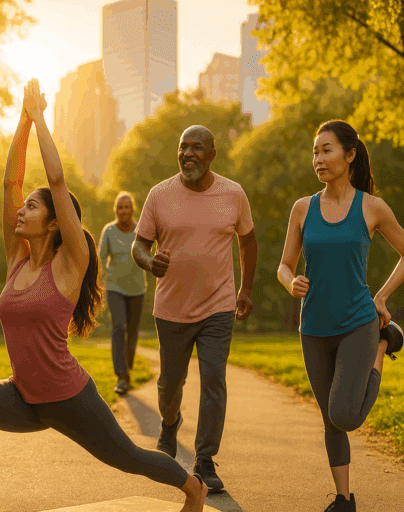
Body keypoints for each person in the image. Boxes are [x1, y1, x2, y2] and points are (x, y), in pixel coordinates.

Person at [0, 79, 209, 512]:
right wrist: (23, 121)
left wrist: (42, 118)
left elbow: (57, 179)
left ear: (53, 223)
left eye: (33, 206)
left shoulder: (70, 263)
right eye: (23, 205)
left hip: (70, 399)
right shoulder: (16, 258)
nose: (21, 209)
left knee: (129, 459)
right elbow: (10, 183)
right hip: (24, 399)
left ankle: (192, 487)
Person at [277, 120, 404, 512]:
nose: (318, 159)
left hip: (359, 323)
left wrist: (382, 296)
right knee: (330, 420)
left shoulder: (371, 207)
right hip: (313, 328)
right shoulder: (303, 208)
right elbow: (284, 265)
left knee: (344, 415)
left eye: (327, 150)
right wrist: (290, 283)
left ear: (349, 154)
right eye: (315, 152)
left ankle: (384, 343)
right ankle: (344, 499)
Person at [132, 125, 258, 494]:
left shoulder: (233, 194)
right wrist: (147, 261)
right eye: (182, 147)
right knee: (170, 383)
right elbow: (139, 244)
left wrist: (245, 288)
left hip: (218, 307)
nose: (188, 154)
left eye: (197, 148)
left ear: (212, 155)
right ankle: (169, 425)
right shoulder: (159, 195)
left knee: (214, 381)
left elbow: (248, 242)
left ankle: (204, 459)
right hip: (171, 308)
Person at [98, 191, 147, 395]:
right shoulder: (108, 231)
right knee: (119, 327)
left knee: (133, 331)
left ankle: (127, 369)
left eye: (127, 207)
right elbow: (100, 259)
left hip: (137, 288)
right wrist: (98, 283)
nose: (123, 211)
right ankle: (121, 376)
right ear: (115, 210)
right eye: (120, 207)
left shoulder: (142, 229)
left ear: (132, 209)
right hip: (114, 287)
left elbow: (150, 253)